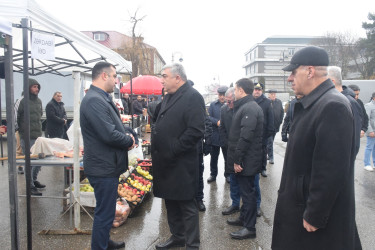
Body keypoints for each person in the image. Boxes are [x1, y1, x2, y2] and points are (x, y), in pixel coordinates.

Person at [272, 46, 362, 250]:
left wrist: (315, 214)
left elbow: (331, 169)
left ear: (310, 71)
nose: (290, 78)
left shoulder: (332, 105)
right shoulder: (312, 103)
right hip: (299, 204)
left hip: (310, 215)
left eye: (293, 72)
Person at [80, 62, 135, 250]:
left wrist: (128, 133)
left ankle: (105, 241)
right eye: (114, 76)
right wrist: (128, 141)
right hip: (102, 167)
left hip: (107, 165)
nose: (116, 81)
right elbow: (108, 134)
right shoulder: (95, 99)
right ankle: (100, 246)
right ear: (104, 76)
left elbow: (114, 125)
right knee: (104, 213)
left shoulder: (101, 97)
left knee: (106, 211)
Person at [152, 63, 205, 249]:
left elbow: (196, 130)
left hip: (181, 162)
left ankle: (192, 244)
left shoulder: (193, 96)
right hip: (166, 162)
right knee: (171, 202)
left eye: (164, 76)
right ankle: (178, 237)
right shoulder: (169, 96)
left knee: (186, 205)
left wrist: (174, 149)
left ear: (177, 78)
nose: (161, 80)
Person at [226, 78, 263, 240]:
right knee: (244, 192)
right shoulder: (246, 106)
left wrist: (237, 160)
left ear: (241, 90)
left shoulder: (250, 108)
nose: (233, 93)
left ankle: (250, 228)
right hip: (245, 160)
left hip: (246, 161)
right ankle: (243, 219)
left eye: (235, 90)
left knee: (248, 194)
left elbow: (245, 137)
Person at [17, 78, 44, 196]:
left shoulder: (39, 101)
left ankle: (34, 180)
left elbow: (40, 115)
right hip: (27, 136)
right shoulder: (21, 101)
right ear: (28, 87)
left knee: (40, 159)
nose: (36, 89)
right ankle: (30, 186)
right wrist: (21, 130)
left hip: (38, 135)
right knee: (30, 161)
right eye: (34, 87)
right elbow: (15, 117)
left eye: (37, 87)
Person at [328, 66, 363, 155]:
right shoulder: (332, 100)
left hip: (341, 161)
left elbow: (354, 140)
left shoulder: (349, 103)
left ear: (331, 82)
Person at [220, 87, 241, 216]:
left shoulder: (243, 109)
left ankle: (255, 206)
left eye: (230, 101)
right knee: (233, 178)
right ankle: (235, 204)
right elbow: (222, 128)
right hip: (230, 148)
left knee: (249, 181)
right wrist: (226, 144)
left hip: (243, 149)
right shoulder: (224, 110)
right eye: (226, 102)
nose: (228, 104)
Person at [207, 86, 229, 183]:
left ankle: (228, 175)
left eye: (224, 95)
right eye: (220, 95)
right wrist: (217, 122)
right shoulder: (213, 105)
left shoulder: (230, 104)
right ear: (218, 95)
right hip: (215, 135)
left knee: (227, 157)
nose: (222, 97)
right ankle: (213, 174)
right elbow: (208, 118)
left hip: (226, 136)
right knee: (214, 158)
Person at [253, 82, 274, 177]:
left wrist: (270, 131)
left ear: (261, 91)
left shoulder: (267, 102)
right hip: (252, 131)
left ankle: (263, 168)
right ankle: (254, 168)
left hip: (263, 131)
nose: (257, 91)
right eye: (255, 89)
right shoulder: (249, 100)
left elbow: (271, 117)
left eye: (259, 90)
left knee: (263, 151)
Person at [267, 89, 284, 164]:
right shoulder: (267, 102)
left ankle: (268, 153)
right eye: (272, 94)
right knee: (270, 142)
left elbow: (282, 112)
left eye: (274, 94)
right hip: (268, 126)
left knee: (271, 141)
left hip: (276, 126)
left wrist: (280, 121)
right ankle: (271, 157)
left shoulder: (279, 102)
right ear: (269, 95)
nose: (273, 95)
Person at [364, 92, 375, 172]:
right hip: (372, 131)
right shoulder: (369, 106)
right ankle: (367, 164)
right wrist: (370, 131)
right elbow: (366, 119)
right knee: (369, 147)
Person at [14, 92, 24, 174]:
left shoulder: (37, 101)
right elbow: (15, 115)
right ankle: (20, 166)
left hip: (32, 130)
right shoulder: (19, 101)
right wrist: (17, 128)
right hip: (21, 130)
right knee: (20, 149)